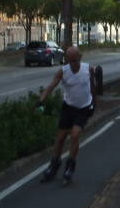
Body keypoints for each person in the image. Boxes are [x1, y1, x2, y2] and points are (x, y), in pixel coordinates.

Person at [37, 46, 97, 184]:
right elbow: (51, 86)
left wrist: (94, 102)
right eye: (70, 61)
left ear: (80, 58)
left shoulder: (88, 69)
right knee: (60, 138)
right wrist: (41, 100)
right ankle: (54, 164)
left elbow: (94, 86)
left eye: (75, 60)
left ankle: (70, 167)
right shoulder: (63, 72)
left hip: (83, 108)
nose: (73, 64)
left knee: (75, 135)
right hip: (68, 107)